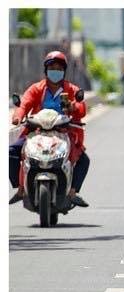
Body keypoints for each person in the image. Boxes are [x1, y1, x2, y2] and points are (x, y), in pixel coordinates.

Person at [9, 50, 89, 208]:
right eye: (52, 68)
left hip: (64, 133)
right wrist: (18, 116)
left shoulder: (71, 90)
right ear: (46, 70)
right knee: (11, 152)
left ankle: (72, 192)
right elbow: (24, 103)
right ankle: (20, 189)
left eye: (59, 69)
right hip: (36, 131)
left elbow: (82, 108)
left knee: (83, 160)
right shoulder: (37, 89)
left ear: (64, 71)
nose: (56, 72)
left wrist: (73, 107)